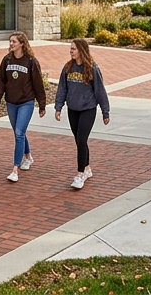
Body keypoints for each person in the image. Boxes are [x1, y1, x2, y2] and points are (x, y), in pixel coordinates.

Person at [53, 39, 109, 190]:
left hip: (88, 109)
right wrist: (58, 107)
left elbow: (100, 91)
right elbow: (62, 89)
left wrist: (105, 111)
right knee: (79, 141)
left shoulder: (92, 68)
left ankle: (80, 174)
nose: (71, 51)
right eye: (70, 49)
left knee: (82, 139)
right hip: (73, 109)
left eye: (73, 49)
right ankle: (88, 168)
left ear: (81, 50)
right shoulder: (68, 67)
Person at [0, 31, 46, 183]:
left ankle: (15, 169)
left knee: (19, 133)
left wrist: (42, 105)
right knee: (19, 133)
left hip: (26, 102)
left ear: (22, 44)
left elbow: (38, 84)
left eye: (14, 42)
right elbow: (0, 82)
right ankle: (28, 157)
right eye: (10, 41)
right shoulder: (7, 60)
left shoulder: (31, 61)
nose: (11, 44)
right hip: (11, 102)